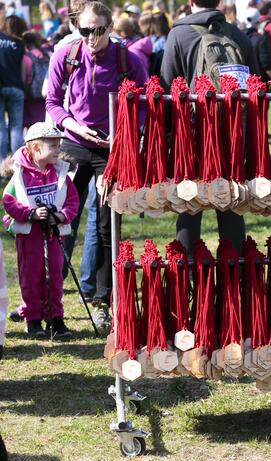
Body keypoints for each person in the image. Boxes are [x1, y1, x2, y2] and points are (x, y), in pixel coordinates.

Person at [46, 1, 149, 331]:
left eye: (98, 30)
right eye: (84, 30)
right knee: (63, 220)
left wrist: (125, 135)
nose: (91, 37)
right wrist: (73, 126)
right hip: (74, 143)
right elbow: (51, 100)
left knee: (107, 224)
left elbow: (145, 103)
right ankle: (49, 298)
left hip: (111, 148)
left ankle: (102, 301)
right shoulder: (67, 54)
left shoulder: (127, 59)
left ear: (111, 28)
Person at [161, 0, 257, 263]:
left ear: (190, 2)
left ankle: (187, 280)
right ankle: (233, 285)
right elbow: (255, 85)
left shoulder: (178, 35)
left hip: (193, 134)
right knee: (231, 206)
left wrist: (168, 137)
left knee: (190, 207)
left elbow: (169, 84)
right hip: (233, 133)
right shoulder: (238, 36)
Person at [2, 123, 79, 339]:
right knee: (31, 276)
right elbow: (8, 201)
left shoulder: (60, 173)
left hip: (54, 235)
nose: (57, 150)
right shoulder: (19, 176)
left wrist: (61, 216)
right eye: (53, 146)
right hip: (29, 237)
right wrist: (30, 214)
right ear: (36, 148)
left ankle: (55, 319)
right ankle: (33, 319)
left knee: (54, 275)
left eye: (58, 145)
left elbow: (72, 200)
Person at [0, 15, 27, 160]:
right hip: (16, 87)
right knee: (16, 126)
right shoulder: (19, 44)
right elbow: (22, 69)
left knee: (0, 127)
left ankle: (1, 164)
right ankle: (17, 163)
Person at [20, 31, 50, 130]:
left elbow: (25, 79)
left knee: (33, 128)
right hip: (46, 95)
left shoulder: (26, 58)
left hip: (31, 97)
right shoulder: (47, 54)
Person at [243, 8, 271, 82]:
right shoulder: (261, 39)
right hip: (260, 85)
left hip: (243, 84)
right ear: (258, 22)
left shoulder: (239, 38)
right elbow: (267, 65)